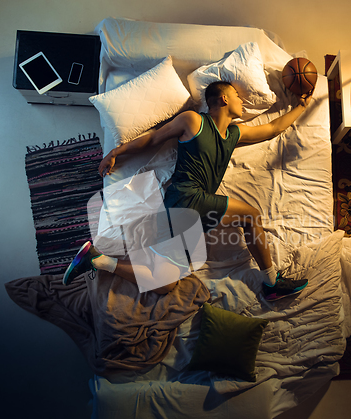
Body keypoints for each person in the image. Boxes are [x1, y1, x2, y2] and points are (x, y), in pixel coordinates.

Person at [63, 81, 312, 300]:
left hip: (183, 210)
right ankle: (271, 283)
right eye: (237, 95)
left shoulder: (235, 133)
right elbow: (152, 139)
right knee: (251, 215)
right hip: (187, 197)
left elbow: (272, 129)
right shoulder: (193, 120)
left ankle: (97, 260)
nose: (242, 101)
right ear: (224, 98)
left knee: (164, 284)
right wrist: (116, 152)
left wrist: (301, 107)